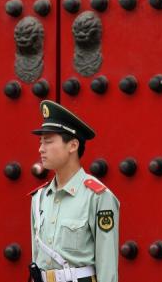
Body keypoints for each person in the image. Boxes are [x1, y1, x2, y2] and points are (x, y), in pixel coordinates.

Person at [28, 100, 119, 282]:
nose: (41, 149)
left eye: (48, 141)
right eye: (40, 142)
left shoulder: (97, 196)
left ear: (73, 145)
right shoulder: (39, 198)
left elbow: (107, 266)